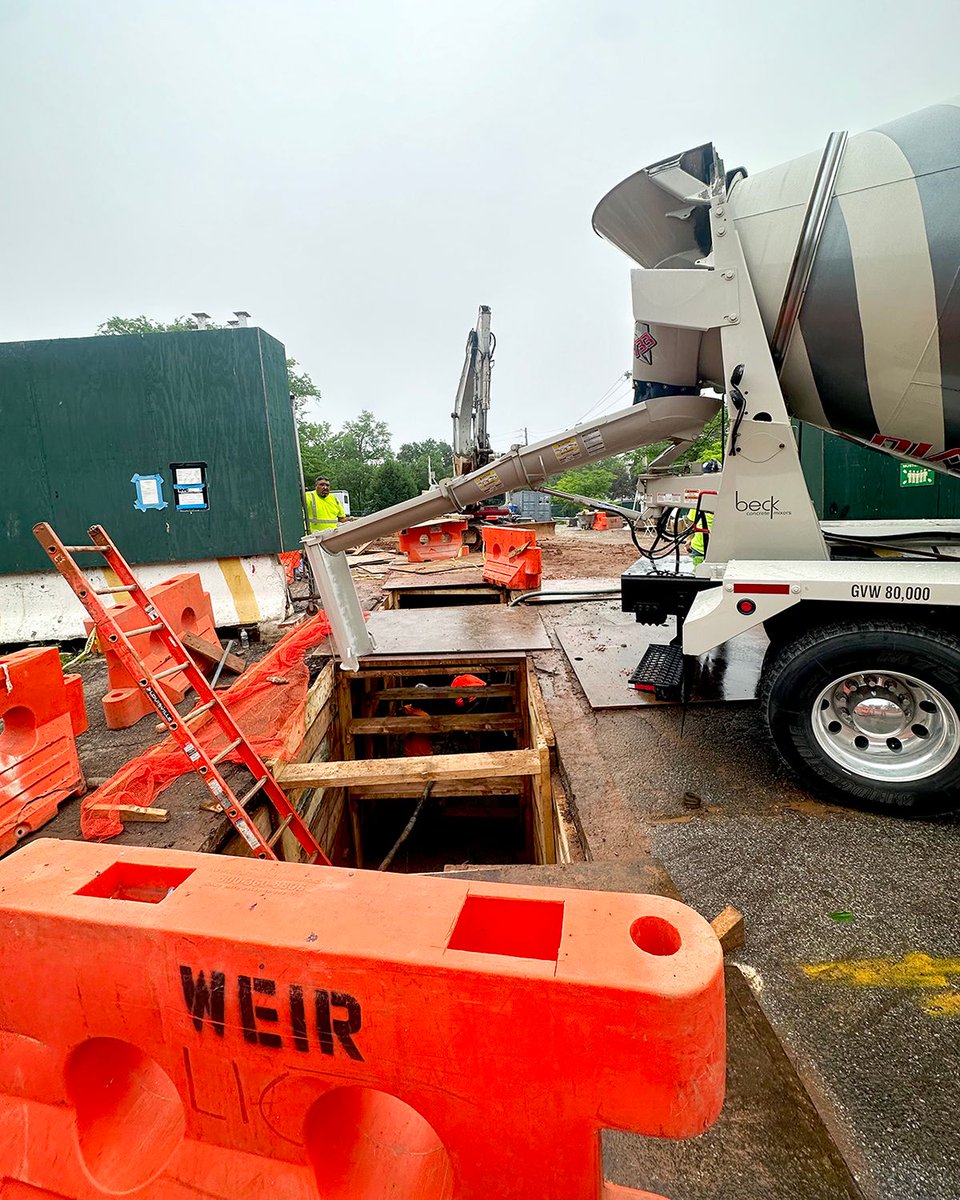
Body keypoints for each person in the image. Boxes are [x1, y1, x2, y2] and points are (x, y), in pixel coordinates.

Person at [688, 459, 721, 564]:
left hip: (700, 548)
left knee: (698, 576)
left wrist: (689, 539)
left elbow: (691, 522)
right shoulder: (726, 497)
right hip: (718, 549)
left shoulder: (700, 497)